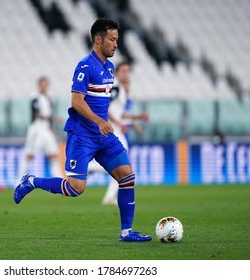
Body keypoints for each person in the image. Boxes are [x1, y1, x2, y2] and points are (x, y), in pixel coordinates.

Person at [13, 18, 152, 242]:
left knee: (127, 176)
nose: (116, 44)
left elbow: (102, 102)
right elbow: (77, 101)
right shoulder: (85, 66)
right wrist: (99, 121)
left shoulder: (109, 67)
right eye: (112, 39)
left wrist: (107, 122)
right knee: (76, 188)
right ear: (98, 39)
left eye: (117, 40)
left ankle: (126, 232)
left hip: (103, 136)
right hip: (83, 136)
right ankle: (31, 181)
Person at [101, 61, 149, 205]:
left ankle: (109, 197)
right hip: (112, 128)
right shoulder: (115, 87)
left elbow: (120, 113)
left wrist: (136, 118)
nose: (126, 74)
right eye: (123, 71)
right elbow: (105, 107)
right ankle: (89, 167)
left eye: (128, 71)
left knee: (122, 164)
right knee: (122, 162)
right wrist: (119, 123)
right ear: (116, 73)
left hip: (115, 127)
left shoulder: (121, 89)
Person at [18, 77, 63, 178]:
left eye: (45, 85)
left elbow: (48, 115)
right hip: (37, 128)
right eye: (42, 85)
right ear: (39, 85)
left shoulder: (48, 98)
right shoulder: (35, 97)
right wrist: (54, 118)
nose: (44, 87)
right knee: (30, 155)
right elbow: (37, 114)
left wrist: (52, 129)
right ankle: (19, 182)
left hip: (46, 129)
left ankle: (60, 181)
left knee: (54, 155)